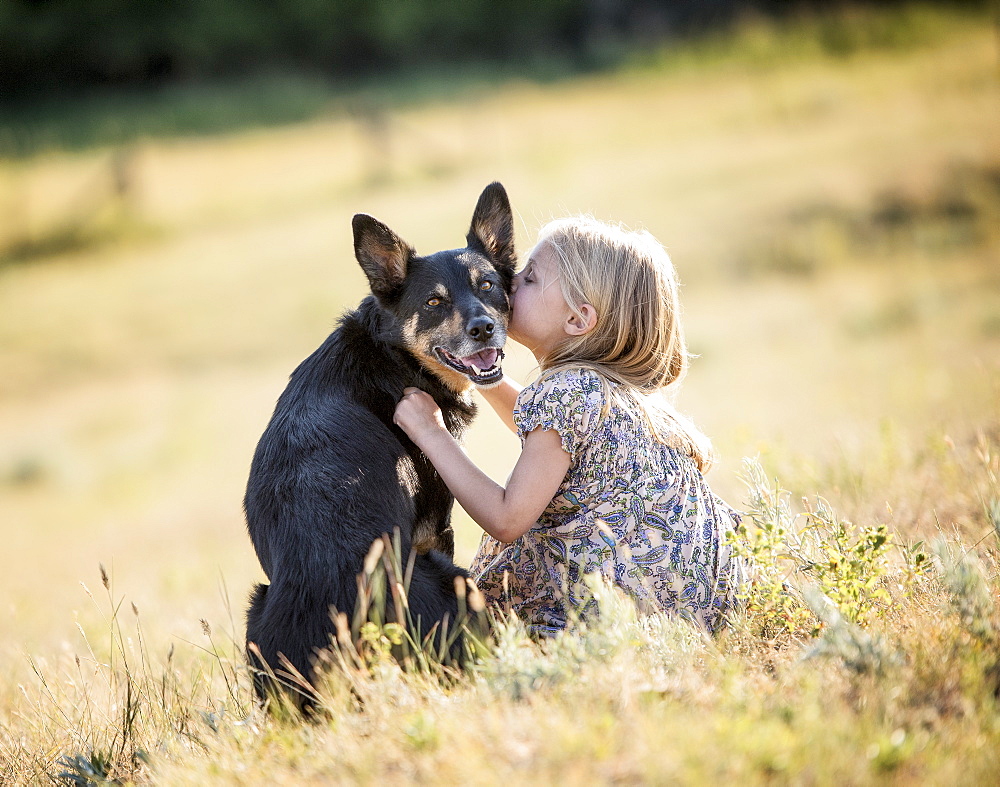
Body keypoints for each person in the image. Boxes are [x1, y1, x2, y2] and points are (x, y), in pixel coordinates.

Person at [393, 216, 746, 635]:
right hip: (698, 605)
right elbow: (542, 425)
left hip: (610, 619)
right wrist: (482, 374)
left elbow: (507, 519)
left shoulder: (568, 392)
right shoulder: (608, 391)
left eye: (528, 279)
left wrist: (433, 433)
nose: (506, 282)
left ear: (578, 320)